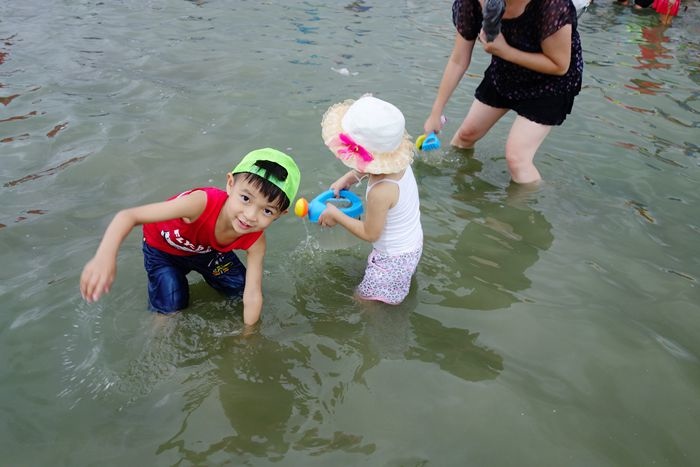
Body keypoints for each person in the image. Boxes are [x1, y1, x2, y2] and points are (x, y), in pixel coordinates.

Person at [79, 148, 300, 325]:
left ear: (280, 214)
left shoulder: (256, 240)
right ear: (230, 184)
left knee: (240, 289)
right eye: (245, 198)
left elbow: (252, 295)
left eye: (267, 211)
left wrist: (249, 337)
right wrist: (104, 257)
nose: (250, 216)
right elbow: (128, 216)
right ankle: (160, 344)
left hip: (208, 252)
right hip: (163, 250)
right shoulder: (200, 203)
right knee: (171, 306)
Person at [424, 0, 583, 184]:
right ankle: (459, 190)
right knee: (466, 135)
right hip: (506, 72)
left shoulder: (552, 5)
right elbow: (458, 60)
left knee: (517, 159)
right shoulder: (471, 3)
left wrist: (505, 51)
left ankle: (533, 201)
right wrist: (436, 112)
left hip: (550, 83)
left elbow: (560, 65)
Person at [318, 95, 423, 305]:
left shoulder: (380, 192)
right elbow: (375, 167)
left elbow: (370, 233)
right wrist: (350, 178)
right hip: (411, 246)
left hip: (391, 261)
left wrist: (335, 214)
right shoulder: (399, 165)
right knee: (390, 290)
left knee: (364, 302)